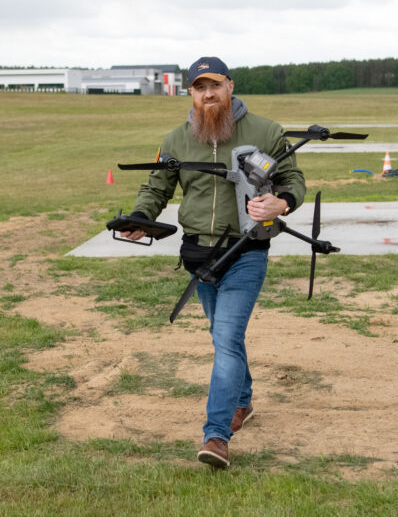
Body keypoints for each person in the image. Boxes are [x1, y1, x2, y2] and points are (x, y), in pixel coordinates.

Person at [120, 56, 306, 468]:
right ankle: (243, 401)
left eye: (215, 85)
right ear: (190, 92)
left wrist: (282, 203)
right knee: (226, 337)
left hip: (245, 251)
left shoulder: (266, 131)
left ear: (230, 86)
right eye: (200, 87)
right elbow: (157, 188)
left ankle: (216, 435)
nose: (208, 94)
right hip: (198, 255)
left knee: (225, 337)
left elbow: (293, 180)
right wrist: (140, 219)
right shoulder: (175, 139)